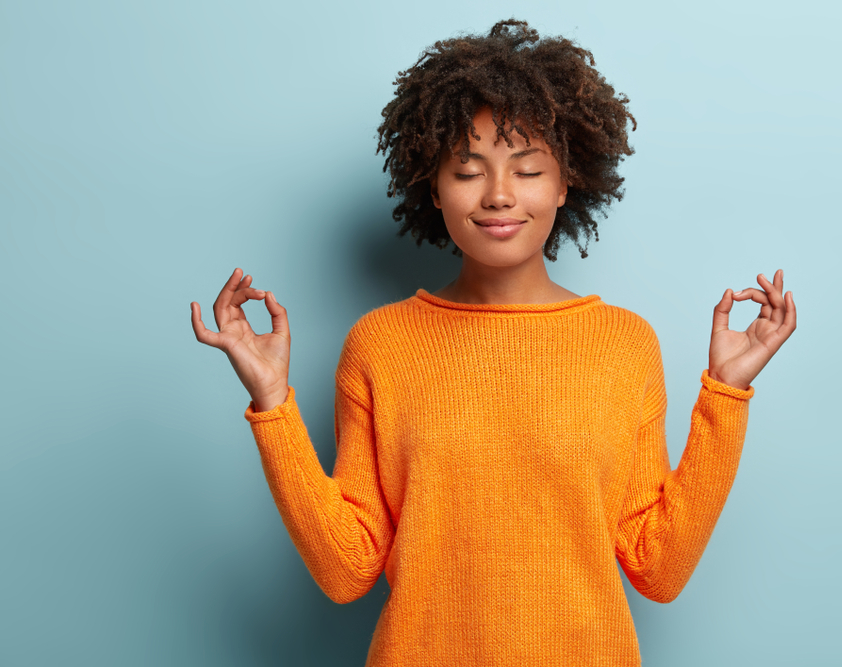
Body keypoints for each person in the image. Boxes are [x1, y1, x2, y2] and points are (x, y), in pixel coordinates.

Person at [190, 18, 795, 666]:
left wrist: (727, 395)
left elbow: (659, 567)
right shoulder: (380, 344)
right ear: (434, 186)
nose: (500, 195)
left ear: (566, 182)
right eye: (468, 169)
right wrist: (273, 403)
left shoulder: (624, 345)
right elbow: (347, 569)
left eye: (528, 168)